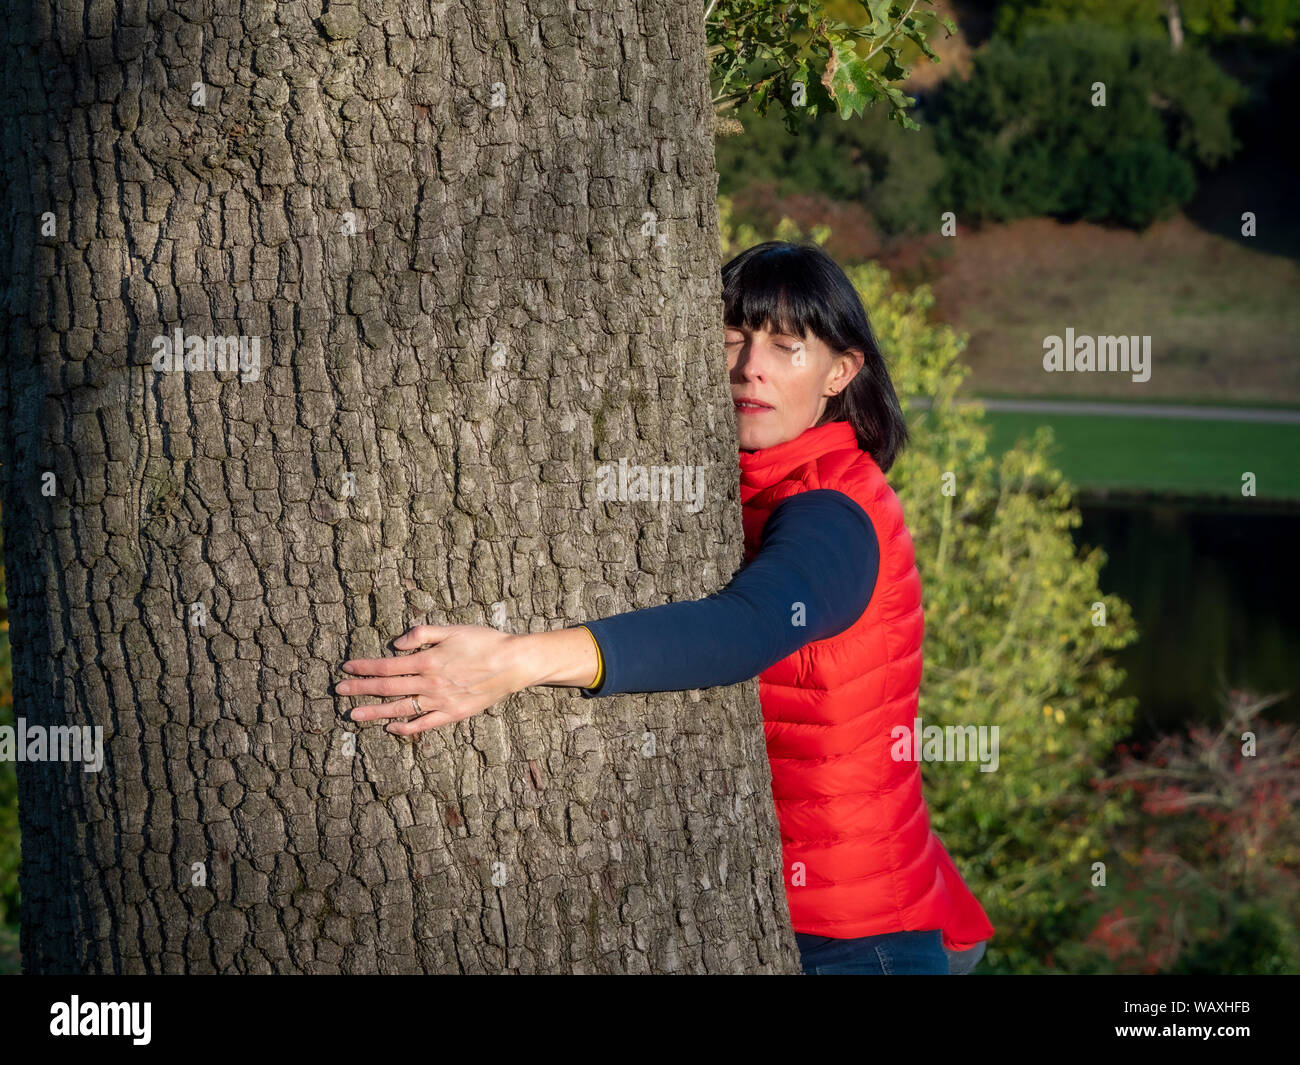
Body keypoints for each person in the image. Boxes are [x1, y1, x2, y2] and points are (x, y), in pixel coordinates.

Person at [335, 241, 994, 975]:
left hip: (854, 942)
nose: (752, 367)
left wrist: (512, 662)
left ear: (840, 373)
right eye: (732, 337)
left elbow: (743, 628)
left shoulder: (836, 511)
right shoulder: (751, 488)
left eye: (787, 347)